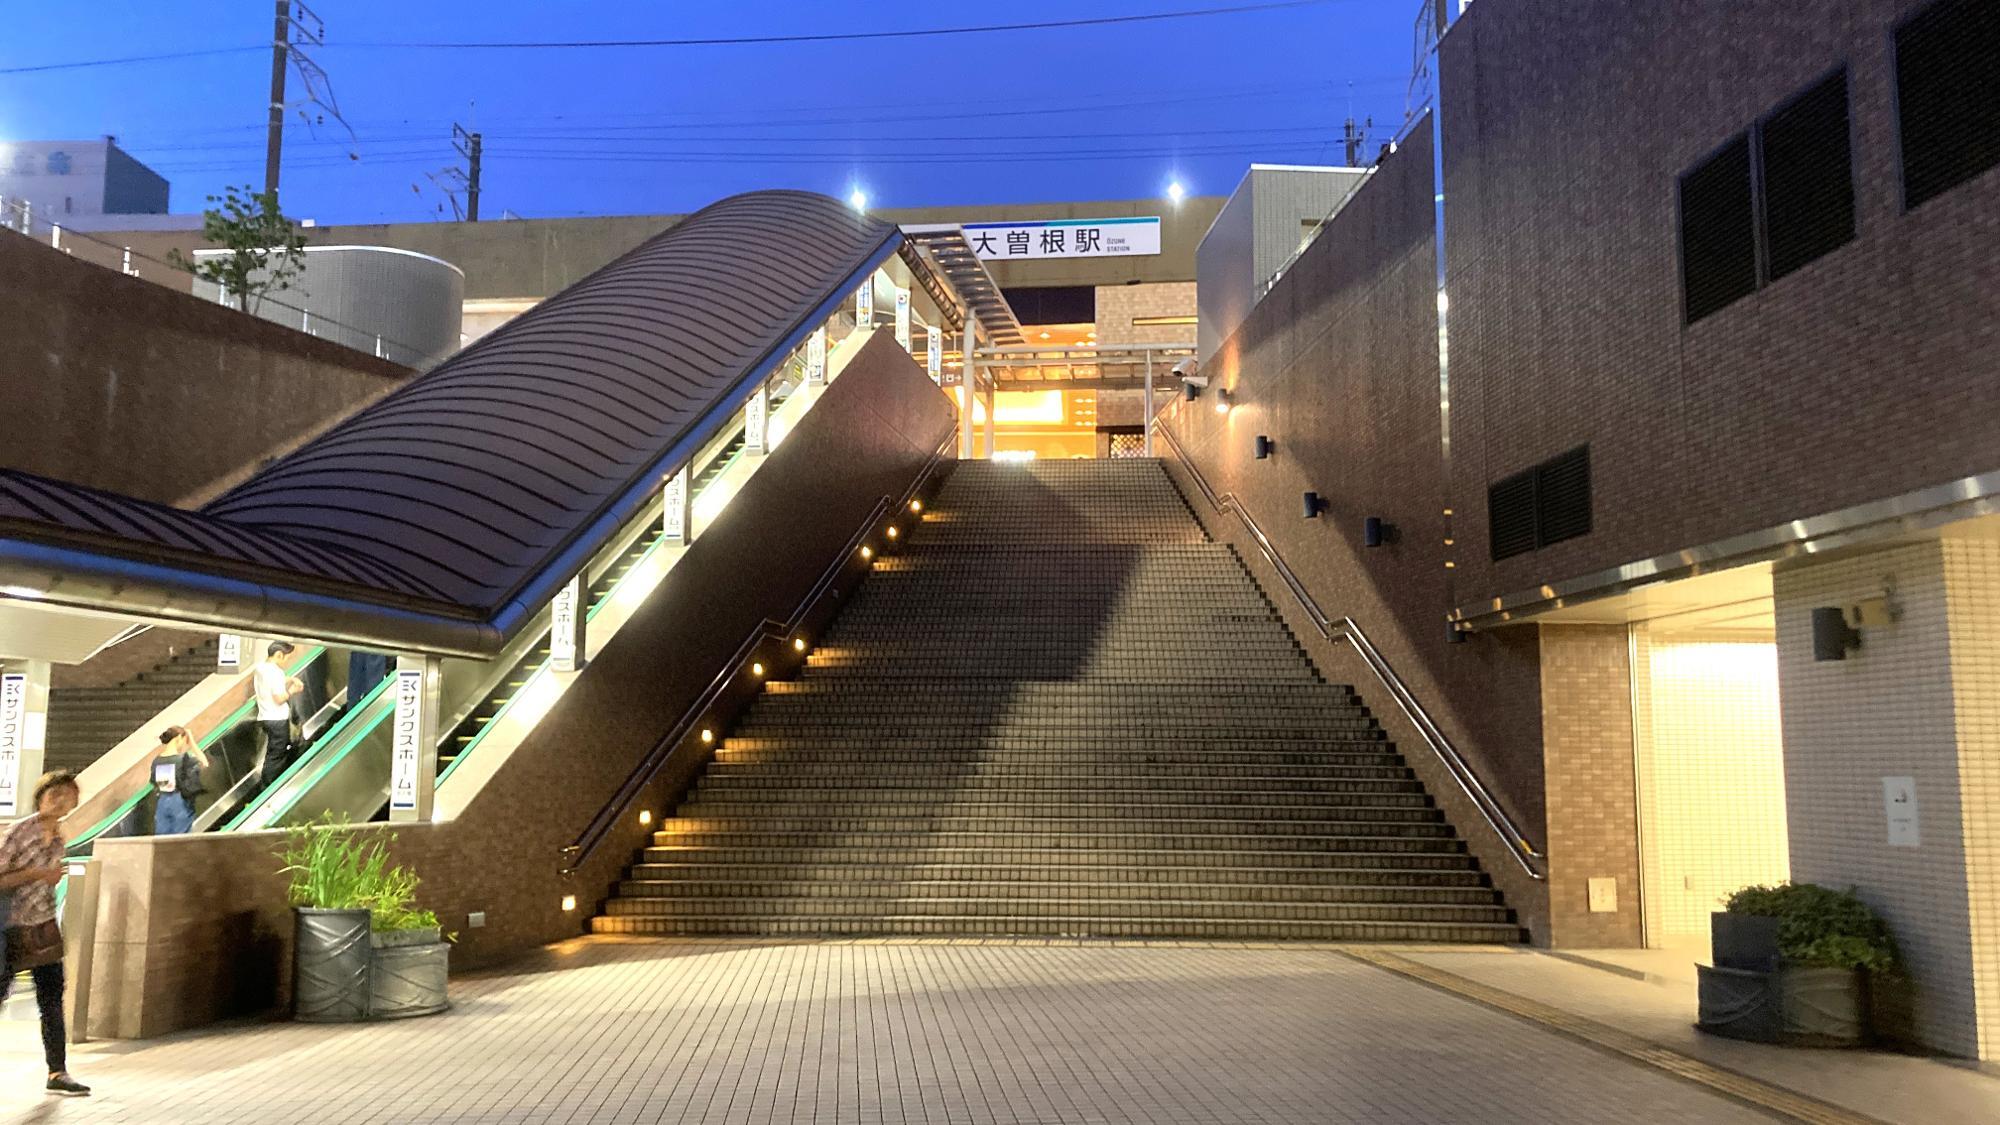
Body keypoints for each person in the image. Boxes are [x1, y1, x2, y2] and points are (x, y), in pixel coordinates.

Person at [0, 770, 90, 1096]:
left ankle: (58, 1071)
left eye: (68, 794)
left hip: (45, 927)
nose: (61, 800)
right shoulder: (20, 832)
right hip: (13, 927)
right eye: (55, 793)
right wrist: (39, 873)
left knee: (52, 999)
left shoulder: (60, 836)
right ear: (41, 797)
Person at [252, 641, 303, 787]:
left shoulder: (261, 668)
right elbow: (279, 698)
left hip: (265, 717)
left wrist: (290, 679)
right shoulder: (275, 672)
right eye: (286, 657)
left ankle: (272, 780)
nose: (287, 661)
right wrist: (292, 690)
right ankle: (268, 785)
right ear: (279, 655)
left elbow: (272, 683)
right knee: (276, 755)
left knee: (276, 751)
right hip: (277, 719)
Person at [152, 726, 208, 835]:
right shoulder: (182, 759)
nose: (183, 745)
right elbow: (204, 763)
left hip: (162, 803)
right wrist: (192, 742)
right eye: (183, 741)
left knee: (163, 841)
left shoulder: (157, 761)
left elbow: (157, 783)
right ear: (178, 738)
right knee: (181, 841)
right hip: (179, 803)